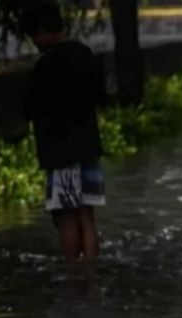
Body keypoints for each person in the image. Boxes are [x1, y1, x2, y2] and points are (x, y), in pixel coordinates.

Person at [20, 1, 106, 261]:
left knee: (68, 218)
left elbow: (30, 109)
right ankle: (91, 276)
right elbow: (99, 95)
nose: (34, 41)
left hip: (61, 155)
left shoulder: (45, 67)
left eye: (35, 35)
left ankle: (74, 279)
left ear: (44, 32)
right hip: (88, 150)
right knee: (87, 217)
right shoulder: (85, 55)